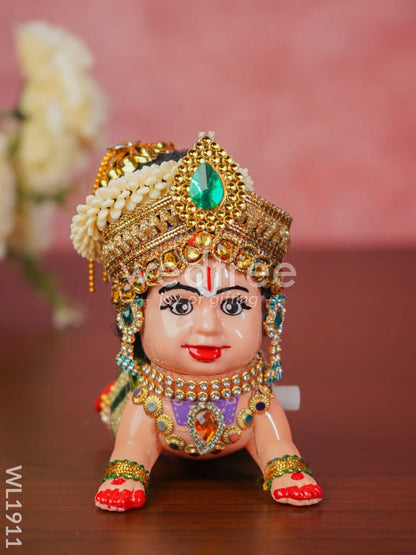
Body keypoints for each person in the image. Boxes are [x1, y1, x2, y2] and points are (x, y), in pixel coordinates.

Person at [71, 134, 323, 511]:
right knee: (131, 432)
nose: (208, 328)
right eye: (179, 305)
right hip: (151, 390)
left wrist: (282, 465)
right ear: (135, 315)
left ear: (268, 315)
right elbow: (134, 444)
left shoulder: (256, 398)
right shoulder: (150, 401)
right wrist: (129, 468)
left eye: (233, 306)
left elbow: (275, 442)